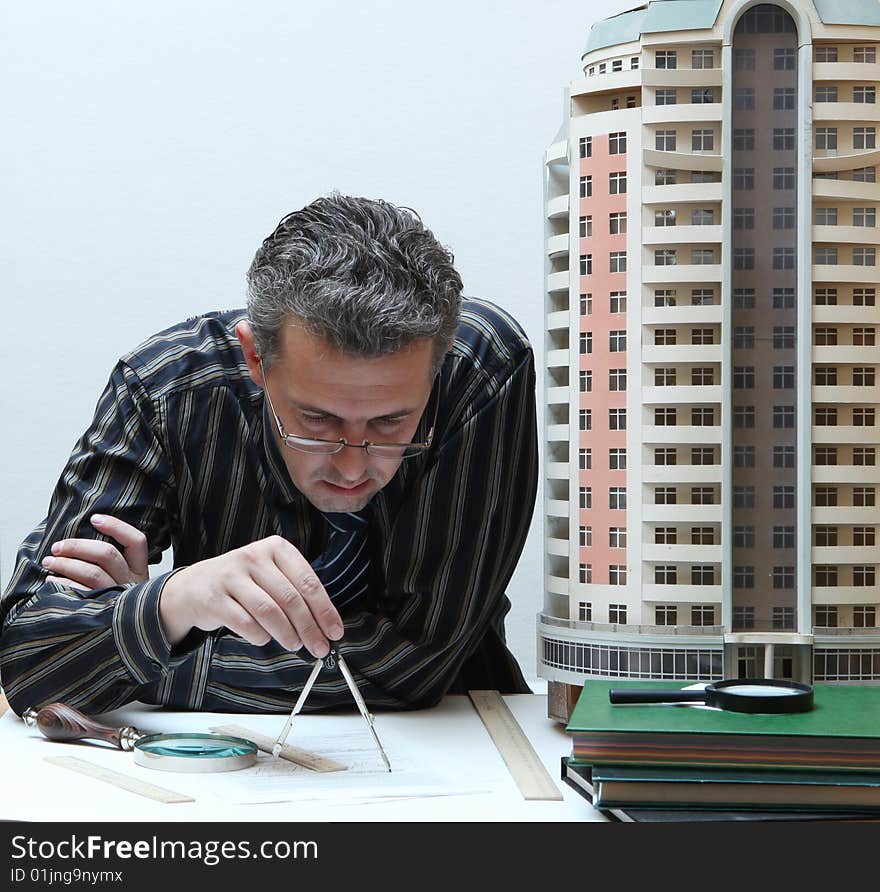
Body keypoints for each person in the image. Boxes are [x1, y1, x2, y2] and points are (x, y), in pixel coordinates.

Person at [0, 194, 538, 716]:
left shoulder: (481, 371)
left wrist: (148, 638)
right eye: (317, 420)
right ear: (256, 358)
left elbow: (409, 663)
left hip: (467, 752)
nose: (352, 468)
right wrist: (177, 598)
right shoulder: (168, 390)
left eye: (390, 422)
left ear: (436, 364)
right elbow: (27, 659)